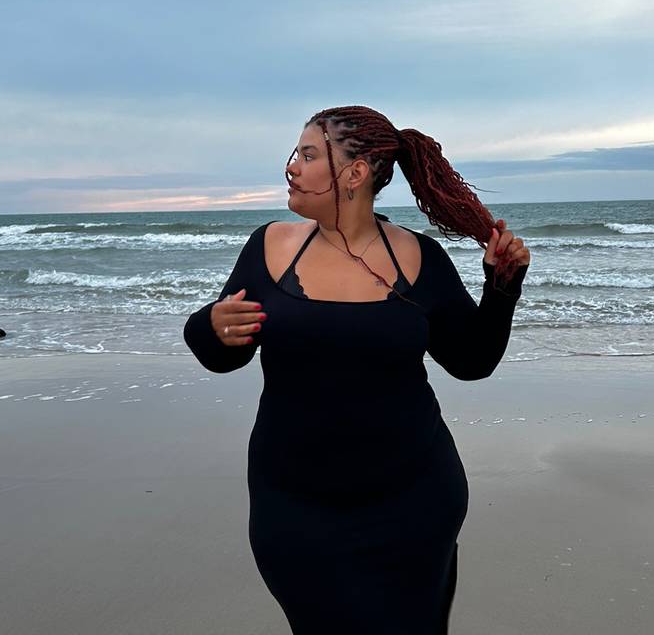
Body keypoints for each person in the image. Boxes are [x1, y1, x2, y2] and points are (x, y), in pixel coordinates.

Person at [184, 105, 531, 634]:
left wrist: (502, 289)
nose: (291, 167)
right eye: (296, 154)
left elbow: (471, 361)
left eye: (307, 155)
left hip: (414, 503)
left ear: (355, 172)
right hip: (293, 506)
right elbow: (222, 354)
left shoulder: (420, 258)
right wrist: (212, 326)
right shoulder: (269, 247)